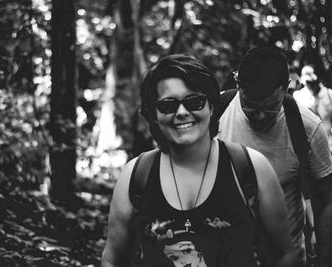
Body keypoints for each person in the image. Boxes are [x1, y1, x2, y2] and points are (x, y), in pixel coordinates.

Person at [101, 54, 298, 267]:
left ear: (212, 106)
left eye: (194, 102)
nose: (182, 112)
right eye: (168, 105)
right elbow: (112, 259)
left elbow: (283, 256)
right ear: (154, 115)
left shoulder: (250, 168)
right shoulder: (137, 175)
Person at [218, 46, 332, 267]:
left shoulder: (306, 127)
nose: (260, 117)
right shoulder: (215, 114)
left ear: (286, 87)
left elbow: (327, 200)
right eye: (250, 107)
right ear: (238, 84)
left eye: (270, 108)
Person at [293, 65, 332, 152]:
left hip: (328, 144)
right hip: (308, 147)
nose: (310, 84)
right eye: (307, 82)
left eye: (312, 81)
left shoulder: (329, 95)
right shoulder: (299, 97)